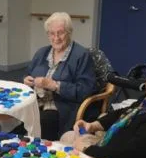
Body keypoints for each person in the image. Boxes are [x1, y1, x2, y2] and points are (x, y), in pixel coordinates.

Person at [23, 12, 97, 140]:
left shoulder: (81, 55)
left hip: (61, 108)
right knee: (16, 120)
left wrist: (55, 86)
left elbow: (85, 90)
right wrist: (26, 80)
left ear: (69, 32)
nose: (56, 38)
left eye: (60, 33)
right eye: (52, 33)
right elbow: (28, 74)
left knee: (39, 125)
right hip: (35, 103)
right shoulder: (42, 52)